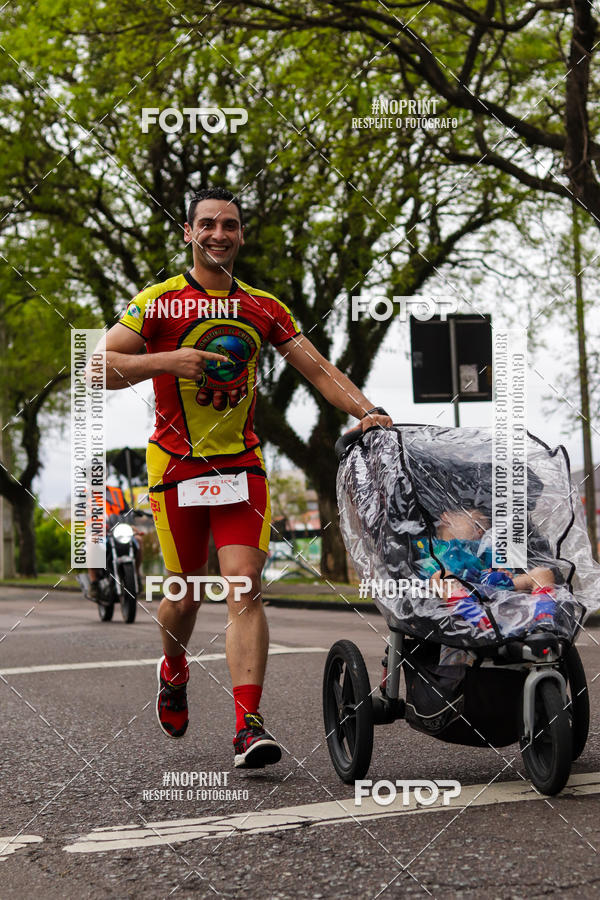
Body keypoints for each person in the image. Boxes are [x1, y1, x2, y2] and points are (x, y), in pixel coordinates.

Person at [100, 186, 392, 768]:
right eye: (207, 224)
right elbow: (96, 368)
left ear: (240, 235)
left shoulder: (263, 306)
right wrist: (168, 360)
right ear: (188, 232)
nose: (219, 234)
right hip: (175, 466)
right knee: (183, 594)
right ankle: (174, 669)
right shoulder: (158, 303)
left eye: (229, 225)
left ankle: (247, 726)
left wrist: (368, 411)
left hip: (241, 465)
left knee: (244, 585)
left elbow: (319, 370)